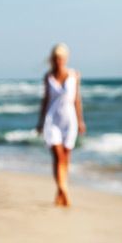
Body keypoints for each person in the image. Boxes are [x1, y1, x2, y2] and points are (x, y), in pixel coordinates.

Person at [36, 43, 86, 207]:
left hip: (69, 120)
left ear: (65, 59)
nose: (59, 61)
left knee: (66, 157)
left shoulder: (74, 75)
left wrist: (80, 121)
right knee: (58, 156)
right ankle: (65, 191)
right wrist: (40, 121)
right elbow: (45, 101)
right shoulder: (48, 77)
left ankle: (60, 192)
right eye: (56, 58)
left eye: (61, 58)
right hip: (52, 121)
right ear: (52, 59)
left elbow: (77, 100)